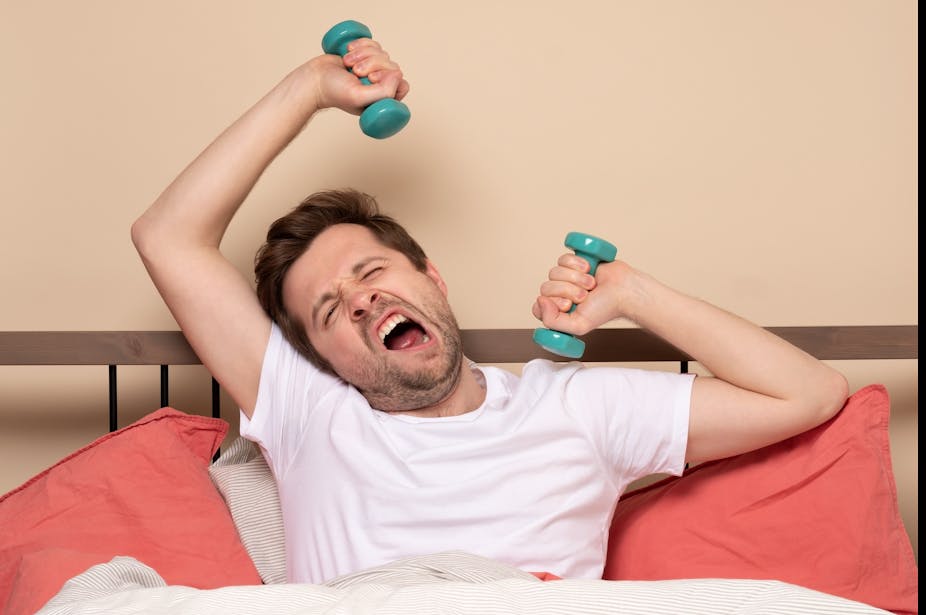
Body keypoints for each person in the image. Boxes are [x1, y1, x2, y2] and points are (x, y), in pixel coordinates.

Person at [131, 37, 849, 584]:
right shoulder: (308, 411)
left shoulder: (576, 406)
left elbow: (809, 393)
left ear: (433, 278)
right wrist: (310, 88)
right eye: (329, 311)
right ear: (323, 361)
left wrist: (631, 293)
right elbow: (167, 237)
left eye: (372, 271)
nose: (363, 299)